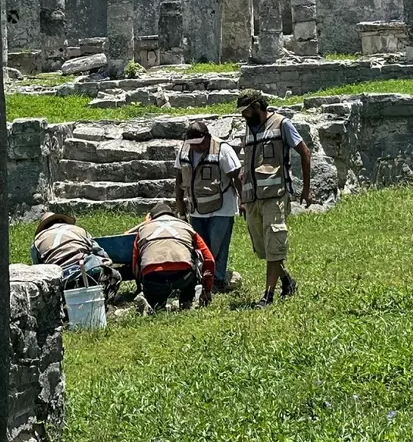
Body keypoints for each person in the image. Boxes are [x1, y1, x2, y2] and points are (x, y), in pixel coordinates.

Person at [235, 89, 310, 306]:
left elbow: (304, 152)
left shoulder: (282, 124)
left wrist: (306, 189)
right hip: (252, 197)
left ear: (257, 107)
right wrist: (243, 198)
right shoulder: (249, 129)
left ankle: (267, 296)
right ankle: (287, 280)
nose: (243, 115)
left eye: (246, 111)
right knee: (263, 248)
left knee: (275, 243)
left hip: (275, 195)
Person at [173, 119, 242, 293]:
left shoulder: (222, 149)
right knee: (200, 247)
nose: (197, 147)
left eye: (200, 143)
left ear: (208, 137)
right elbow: (179, 178)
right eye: (193, 144)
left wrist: (244, 201)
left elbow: (237, 176)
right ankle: (202, 277)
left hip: (222, 208)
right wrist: (180, 203)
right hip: (196, 209)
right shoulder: (184, 150)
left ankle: (217, 280)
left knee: (218, 247)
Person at [130, 202, 215, 311]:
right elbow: (208, 258)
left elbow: (135, 262)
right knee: (195, 259)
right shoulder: (187, 227)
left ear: (152, 217)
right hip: (183, 277)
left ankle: (153, 303)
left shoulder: (143, 230)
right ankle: (186, 301)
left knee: (156, 301)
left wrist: (141, 281)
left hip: (153, 278)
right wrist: (207, 288)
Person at [30, 209, 120, 299]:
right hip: (85, 268)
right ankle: (106, 299)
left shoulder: (38, 240)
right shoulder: (79, 230)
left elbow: (37, 267)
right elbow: (100, 252)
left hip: (59, 276)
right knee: (114, 275)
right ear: (62, 220)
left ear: (44, 226)